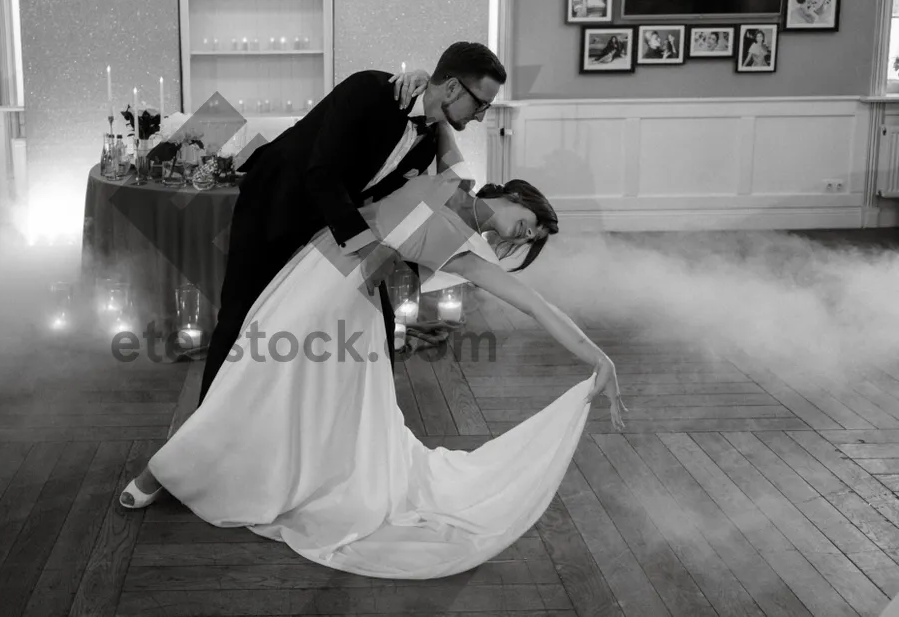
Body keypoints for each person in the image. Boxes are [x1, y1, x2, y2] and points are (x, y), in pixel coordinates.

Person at [119, 168, 626, 579]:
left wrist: (596, 356)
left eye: (532, 238)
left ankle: (176, 469)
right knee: (249, 381)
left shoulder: (465, 249)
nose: (526, 234)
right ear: (516, 194)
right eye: (531, 221)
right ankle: (172, 469)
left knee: (283, 398)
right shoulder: (442, 175)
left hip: (348, 312)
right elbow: (420, 123)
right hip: (311, 273)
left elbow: (533, 304)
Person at [195, 42, 505, 404]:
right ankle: (204, 424)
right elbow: (322, 174)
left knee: (382, 321)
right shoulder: (368, 90)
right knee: (239, 316)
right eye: (481, 103)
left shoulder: (427, 142)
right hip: (273, 208)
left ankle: (368, 426)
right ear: (452, 88)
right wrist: (368, 246)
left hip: (334, 229)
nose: (482, 116)